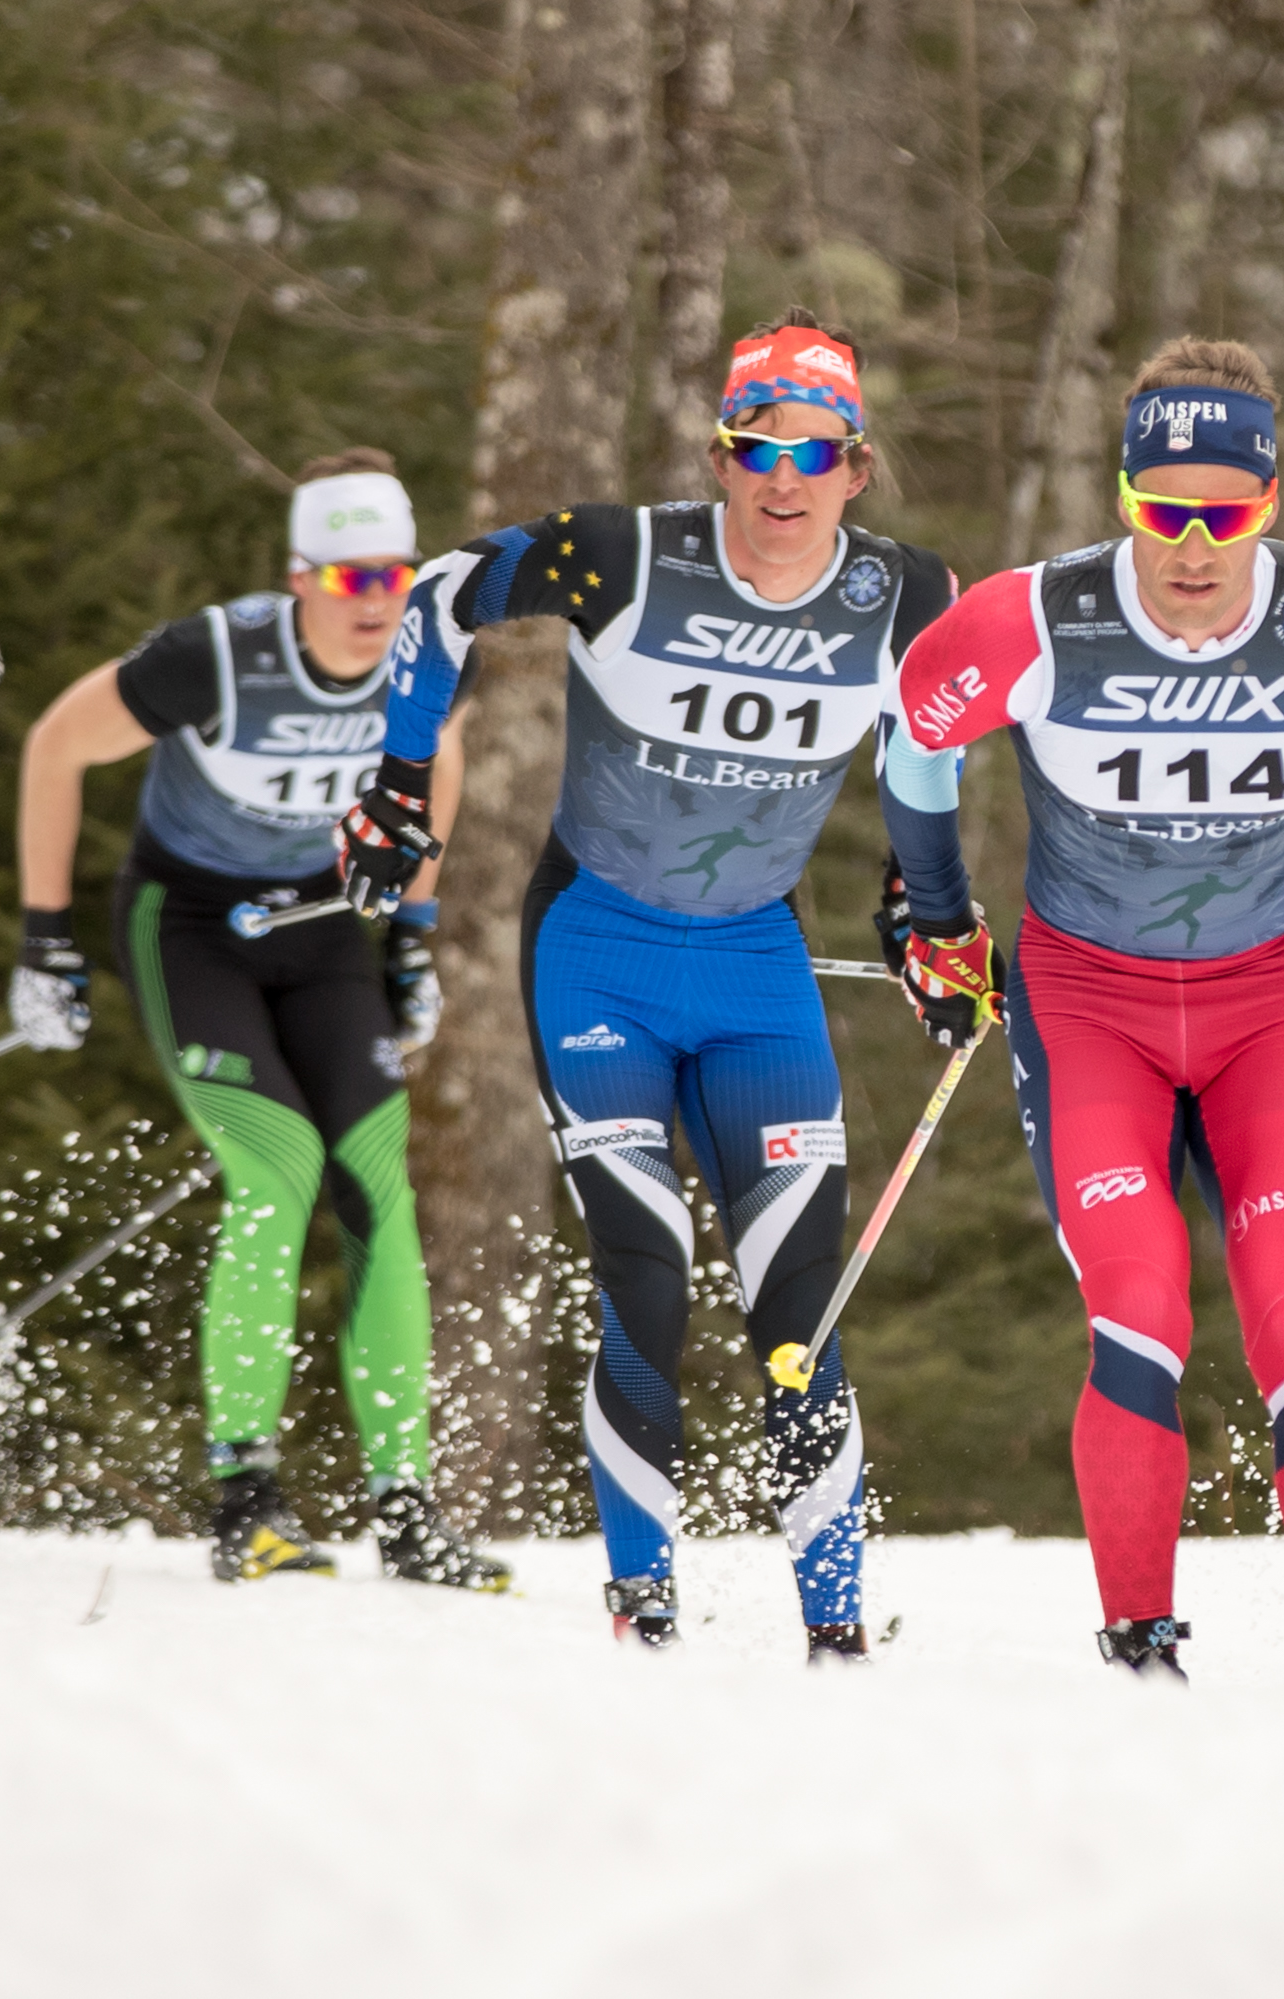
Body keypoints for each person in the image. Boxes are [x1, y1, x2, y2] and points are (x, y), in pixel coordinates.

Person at [346, 314, 957, 1659]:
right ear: (717, 454)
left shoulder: (904, 592)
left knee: (799, 1300)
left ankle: (837, 1630)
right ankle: (643, 1609)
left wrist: (923, 909)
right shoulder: (625, 555)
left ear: (854, 465)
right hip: (598, 953)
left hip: (754, 967)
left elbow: (933, 739)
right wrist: (399, 780)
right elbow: (444, 588)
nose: (780, 481)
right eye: (754, 449)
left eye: (812, 453)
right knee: (649, 1269)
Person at [878, 337, 1284, 1684]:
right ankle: (1138, 1652)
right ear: (1121, 494)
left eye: (1225, 514)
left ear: (1269, 500)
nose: (1191, 549)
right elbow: (913, 749)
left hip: (1265, 1008)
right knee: (1138, 1303)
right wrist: (938, 918)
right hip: (1088, 1008)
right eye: (1160, 511)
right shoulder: (1033, 619)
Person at [9, 449, 505, 1591]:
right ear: (298, 578)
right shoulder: (213, 658)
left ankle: (406, 1507)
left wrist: (413, 938)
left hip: (325, 926)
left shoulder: (434, 653)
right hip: (188, 926)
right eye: (344, 580)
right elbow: (54, 745)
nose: (373, 601)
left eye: (389, 573)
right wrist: (45, 934)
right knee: (277, 1168)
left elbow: (437, 768)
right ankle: (246, 1496)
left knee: (377, 1180)